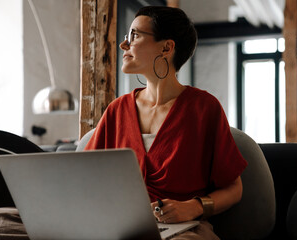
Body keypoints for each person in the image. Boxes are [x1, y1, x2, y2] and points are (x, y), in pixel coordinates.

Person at [84, 6, 248, 240]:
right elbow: (86, 178)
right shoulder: (117, 110)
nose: (124, 45)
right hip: (116, 226)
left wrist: (195, 207)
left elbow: (234, 189)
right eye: (126, 37)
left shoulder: (204, 109)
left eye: (135, 35)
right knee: (11, 222)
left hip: (181, 231)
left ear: (166, 47)